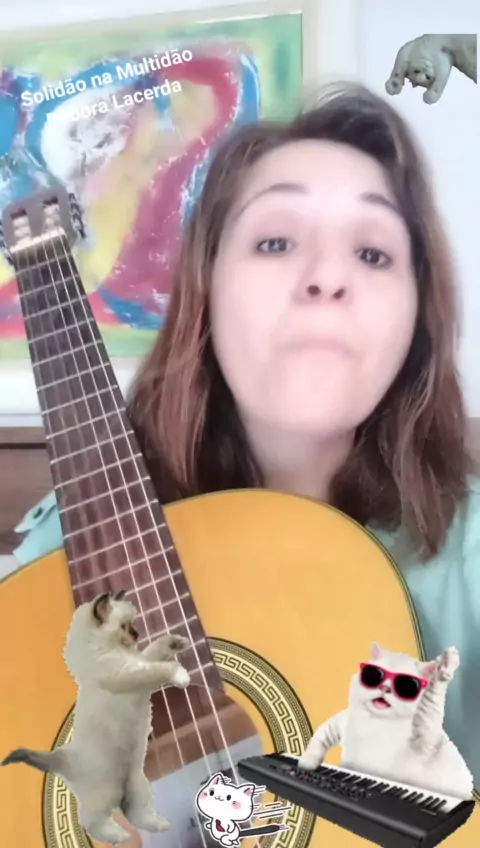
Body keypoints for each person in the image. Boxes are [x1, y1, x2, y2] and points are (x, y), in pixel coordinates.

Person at [17, 82, 480, 786]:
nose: (326, 277)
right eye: (275, 241)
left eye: (373, 253)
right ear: (206, 292)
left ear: (418, 318)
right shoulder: (67, 540)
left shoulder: (468, 553)